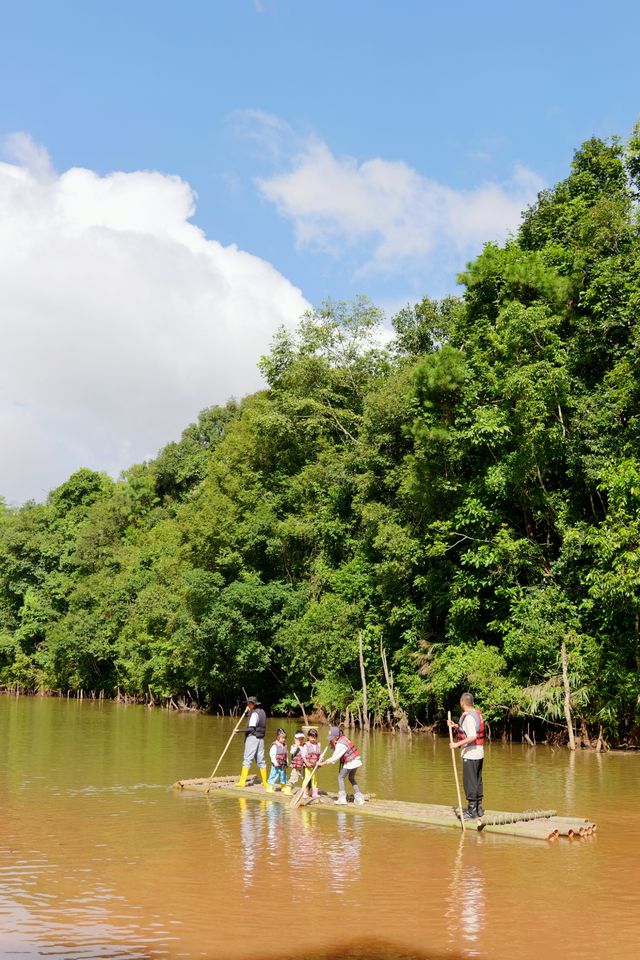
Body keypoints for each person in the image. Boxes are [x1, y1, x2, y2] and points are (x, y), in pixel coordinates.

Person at [448, 692, 485, 819]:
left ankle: (471, 810)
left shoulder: (468, 717)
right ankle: (479, 808)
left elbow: (472, 736)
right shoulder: (476, 714)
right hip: (479, 753)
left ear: (462, 702)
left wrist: (456, 744)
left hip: (471, 754)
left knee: (470, 782)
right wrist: (455, 726)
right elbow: (468, 729)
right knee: (477, 780)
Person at [319, 726, 365, 805]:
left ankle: (342, 799)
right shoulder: (343, 738)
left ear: (336, 736)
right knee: (351, 778)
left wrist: (322, 763)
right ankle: (359, 798)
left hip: (351, 763)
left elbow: (335, 758)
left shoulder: (340, 743)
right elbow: (339, 752)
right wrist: (333, 746)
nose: (331, 740)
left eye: (332, 738)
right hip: (356, 761)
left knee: (340, 777)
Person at [234, 695, 268, 788]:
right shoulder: (262, 712)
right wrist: (248, 712)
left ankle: (242, 781)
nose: (247, 705)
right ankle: (265, 782)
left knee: (247, 759)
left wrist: (238, 730)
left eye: (249, 704)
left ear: (252, 704)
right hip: (260, 738)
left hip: (253, 738)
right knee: (261, 760)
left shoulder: (254, 714)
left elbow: (251, 729)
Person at [283, 731, 307, 795]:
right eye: (299, 739)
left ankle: (306, 791)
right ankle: (287, 790)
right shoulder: (293, 746)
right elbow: (292, 752)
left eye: (302, 739)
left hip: (303, 766)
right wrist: (297, 745)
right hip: (296, 767)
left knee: (306, 778)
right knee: (293, 778)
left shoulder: (305, 746)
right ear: (295, 739)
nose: (301, 740)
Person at [266, 727, 288, 793]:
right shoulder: (275, 745)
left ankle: (283, 786)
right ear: (278, 737)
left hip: (282, 763)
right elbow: (272, 755)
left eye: (284, 738)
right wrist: (275, 762)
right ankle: (269, 787)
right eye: (282, 738)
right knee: (273, 775)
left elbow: (286, 754)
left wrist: (287, 761)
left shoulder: (285, 745)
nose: (284, 739)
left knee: (283, 775)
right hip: (276, 764)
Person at [303, 727, 322, 800]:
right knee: (307, 778)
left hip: (315, 765)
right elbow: (303, 756)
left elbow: (320, 755)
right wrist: (307, 763)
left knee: (315, 779)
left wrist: (319, 761)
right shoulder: (306, 745)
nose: (313, 739)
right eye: (311, 737)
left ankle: (314, 793)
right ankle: (304, 792)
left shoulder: (318, 745)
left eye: (314, 737)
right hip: (308, 765)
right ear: (308, 737)